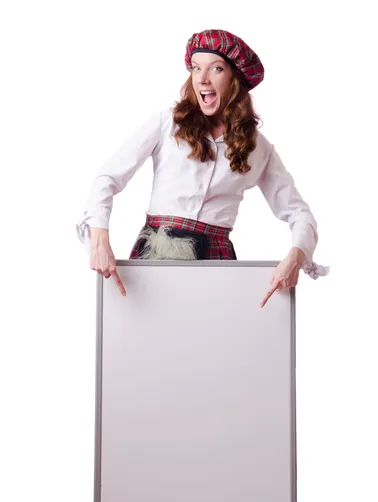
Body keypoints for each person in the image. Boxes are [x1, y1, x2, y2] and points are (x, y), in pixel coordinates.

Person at [76, 29, 329, 307]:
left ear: (235, 79)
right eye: (196, 68)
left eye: (216, 68)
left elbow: (300, 213)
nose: (203, 79)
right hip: (156, 252)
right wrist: (100, 240)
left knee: (213, 345)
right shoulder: (166, 123)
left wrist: (296, 256)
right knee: (149, 345)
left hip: (216, 260)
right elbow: (107, 178)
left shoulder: (259, 148)